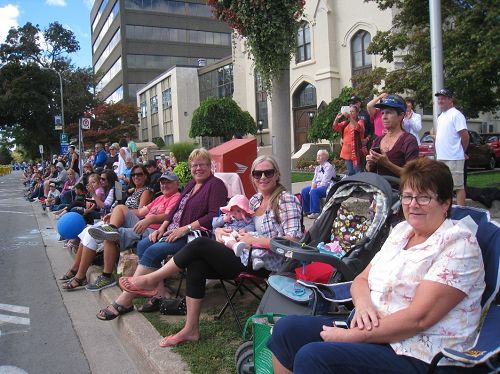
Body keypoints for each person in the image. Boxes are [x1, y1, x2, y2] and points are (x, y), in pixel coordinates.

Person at [267, 158, 485, 374]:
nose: (413, 204)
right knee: (286, 331)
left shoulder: (458, 243)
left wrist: (352, 337)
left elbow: (419, 318)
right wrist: (363, 307)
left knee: (314, 356)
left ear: (446, 203)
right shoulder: (402, 232)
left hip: (420, 352)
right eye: (408, 196)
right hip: (373, 331)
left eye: (424, 197)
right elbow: (361, 279)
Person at [110, 156, 303, 350]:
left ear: (277, 175)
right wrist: (220, 231)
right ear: (252, 177)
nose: (262, 177)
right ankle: (191, 329)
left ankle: (150, 280)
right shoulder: (254, 200)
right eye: (257, 173)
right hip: (243, 254)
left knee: (200, 244)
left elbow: (293, 240)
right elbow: (233, 222)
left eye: (268, 172)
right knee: (197, 263)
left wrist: (255, 241)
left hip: (269, 265)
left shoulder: (285, 199)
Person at [96, 148, 227, 317]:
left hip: (195, 236)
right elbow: (174, 211)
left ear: (210, 166)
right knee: (144, 244)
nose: (198, 168)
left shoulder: (215, 185)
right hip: (174, 230)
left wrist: (184, 228)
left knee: (153, 251)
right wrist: (163, 228)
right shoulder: (191, 185)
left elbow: (214, 216)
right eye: (194, 165)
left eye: (202, 164)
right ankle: (159, 294)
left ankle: (124, 300)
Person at [59, 165, 156, 291]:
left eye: (139, 174)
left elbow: (141, 212)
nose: (136, 177)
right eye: (133, 175)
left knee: (108, 227)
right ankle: (76, 270)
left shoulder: (146, 191)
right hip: (121, 219)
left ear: (146, 176)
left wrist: (119, 211)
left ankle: (82, 275)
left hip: (135, 223)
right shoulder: (129, 190)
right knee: (88, 232)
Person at [365, 95, 419, 177]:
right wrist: (369, 164)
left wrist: (387, 164)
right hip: (377, 188)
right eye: (382, 113)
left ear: (401, 115)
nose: (384, 117)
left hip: (398, 188)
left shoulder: (409, 140)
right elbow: (369, 170)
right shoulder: (378, 140)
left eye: (389, 112)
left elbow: (412, 174)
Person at [211, 194, 267, 270]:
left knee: (249, 243)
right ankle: (234, 246)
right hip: (229, 235)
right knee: (226, 237)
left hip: (241, 238)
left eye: (238, 211)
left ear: (245, 212)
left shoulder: (247, 220)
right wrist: (223, 220)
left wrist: (245, 229)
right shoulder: (226, 216)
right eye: (232, 210)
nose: (234, 213)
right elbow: (214, 224)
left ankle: (255, 259)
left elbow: (252, 226)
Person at [434, 88, 469, 206]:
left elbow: (465, 136)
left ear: (450, 100)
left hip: (454, 157)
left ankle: (461, 211)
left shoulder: (456, 115)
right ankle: (446, 210)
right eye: (439, 98)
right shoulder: (441, 117)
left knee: (458, 186)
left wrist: (462, 151)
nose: (440, 100)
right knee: (444, 186)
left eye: (443, 98)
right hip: (441, 157)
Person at [300, 149, 336, 219]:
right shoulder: (318, 168)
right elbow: (314, 179)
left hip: (328, 187)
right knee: (304, 190)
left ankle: (315, 212)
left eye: (320, 155)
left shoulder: (328, 167)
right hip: (319, 186)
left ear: (325, 157)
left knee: (314, 191)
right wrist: (313, 185)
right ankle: (307, 210)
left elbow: (324, 183)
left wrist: (314, 187)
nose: (317, 157)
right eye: (317, 155)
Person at [332, 105, 365, 175]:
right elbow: (335, 127)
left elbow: (358, 127)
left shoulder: (360, 121)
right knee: (350, 173)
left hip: (356, 153)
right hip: (346, 153)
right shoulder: (346, 123)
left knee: (358, 174)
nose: (350, 113)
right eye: (350, 111)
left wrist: (349, 117)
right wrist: (337, 119)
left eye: (352, 111)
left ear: (357, 113)